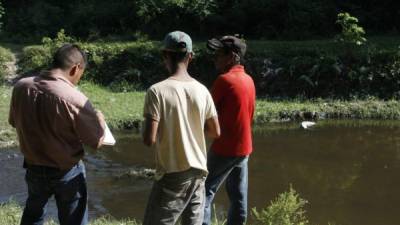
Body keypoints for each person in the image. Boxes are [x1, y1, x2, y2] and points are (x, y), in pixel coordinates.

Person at [8, 44, 105, 225]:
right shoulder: (75, 98)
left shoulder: (21, 86)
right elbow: (97, 141)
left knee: (33, 214)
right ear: (76, 68)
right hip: (66, 171)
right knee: (73, 219)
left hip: (33, 167)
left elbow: (13, 122)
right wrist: (99, 118)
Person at [142, 31, 220, 225]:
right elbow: (215, 132)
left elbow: (149, 140)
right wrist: (191, 130)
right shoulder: (202, 90)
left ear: (165, 56)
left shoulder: (156, 91)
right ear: (190, 57)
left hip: (173, 174)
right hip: (199, 173)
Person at [203, 36, 256, 225]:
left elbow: (205, 112)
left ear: (232, 57)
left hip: (225, 149)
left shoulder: (224, 80)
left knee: (203, 191)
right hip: (244, 149)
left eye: (219, 54)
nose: (215, 58)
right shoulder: (248, 80)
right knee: (238, 195)